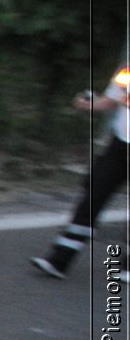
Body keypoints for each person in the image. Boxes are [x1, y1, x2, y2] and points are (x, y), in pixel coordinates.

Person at [31, 59, 130, 281]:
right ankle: (58, 261)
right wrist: (90, 104)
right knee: (93, 195)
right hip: (119, 145)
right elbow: (112, 100)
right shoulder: (128, 68)